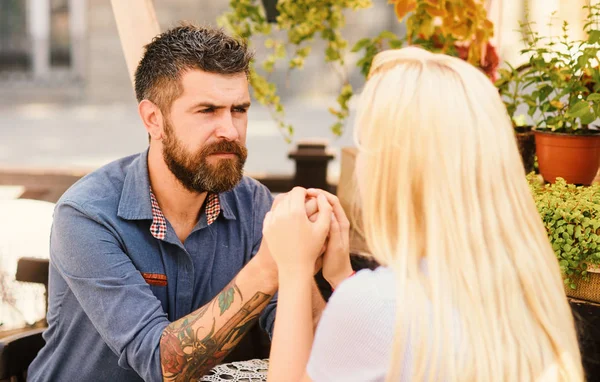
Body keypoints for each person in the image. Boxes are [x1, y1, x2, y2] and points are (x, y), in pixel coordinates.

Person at [263, 47, 584, 381]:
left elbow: (383, 322)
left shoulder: (374, 304)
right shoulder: (528, 289)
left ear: (396, 169)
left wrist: (294, 268)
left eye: (367, 145)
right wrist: (342, 276)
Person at [28, 24, 328, 382]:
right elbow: (161, 364)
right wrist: (269, 266)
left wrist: (308, 264)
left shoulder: (253, 204)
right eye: (207, 111)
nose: (230, 131)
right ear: (153, 119)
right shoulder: (86, 215)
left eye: (239, 110)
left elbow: (316, 349)